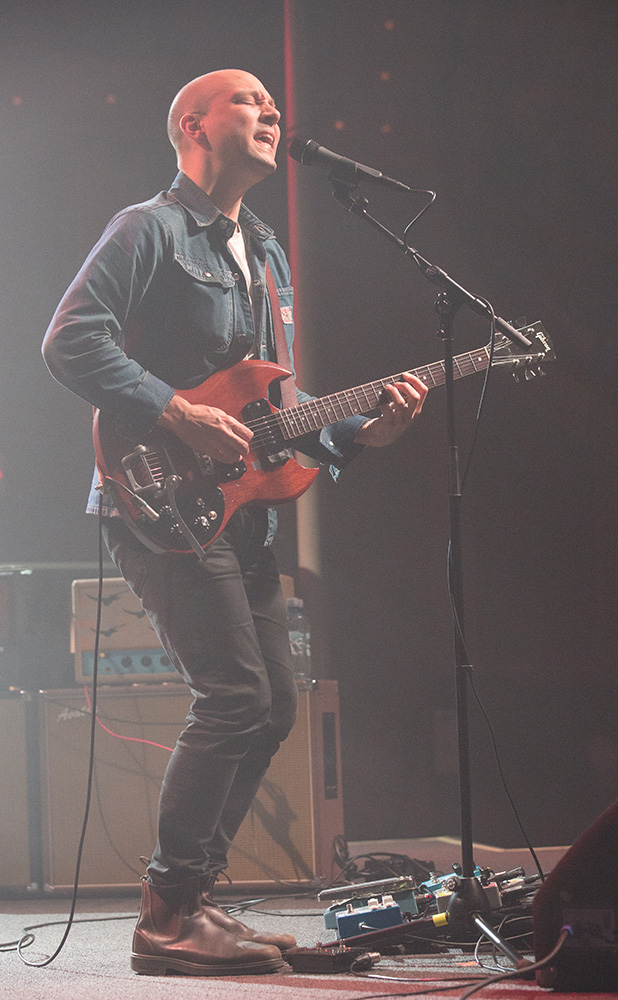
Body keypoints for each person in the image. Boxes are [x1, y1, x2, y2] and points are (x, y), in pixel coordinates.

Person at [42, 69, 427, 977]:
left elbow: (272, 420)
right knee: (236, 697)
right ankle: (169, 911)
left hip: (236, 512)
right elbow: (70, 340)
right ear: (192, 124)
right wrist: (174, 411)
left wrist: (364, 433)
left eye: (273, 102)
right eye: (248, 100)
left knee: (272, 704)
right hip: (156, 498)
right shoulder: (149, 228)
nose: (271, 111)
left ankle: (192, 903)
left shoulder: (268, 252)